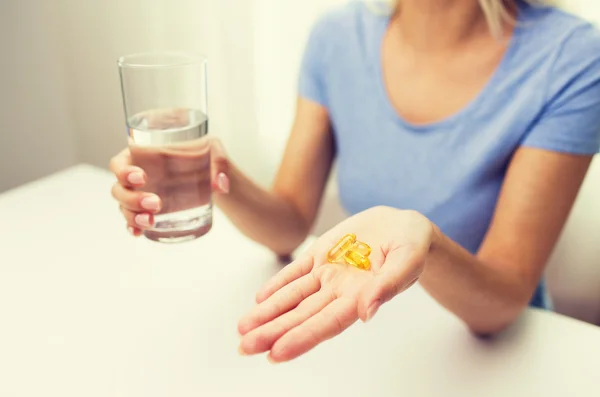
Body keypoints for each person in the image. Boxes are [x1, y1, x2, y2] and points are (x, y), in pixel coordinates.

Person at [110, 0, 600, 363]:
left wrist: (424, 243)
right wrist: (219, 173)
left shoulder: (573, 58)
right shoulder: (336, 37)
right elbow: (289, 222)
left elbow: (504, 303)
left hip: (496, 352)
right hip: (365, 334)